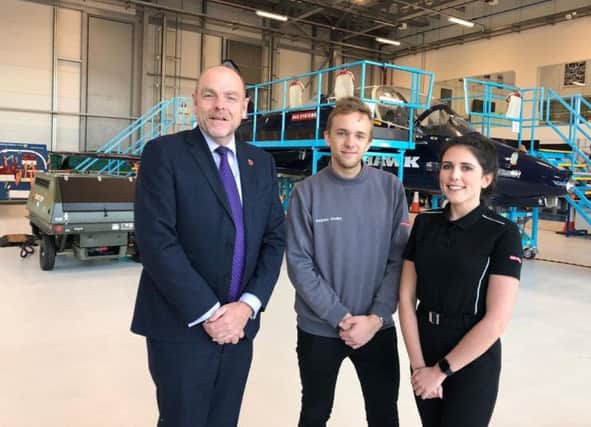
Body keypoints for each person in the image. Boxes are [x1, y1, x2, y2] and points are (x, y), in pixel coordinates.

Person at [131, 64, 286, 427]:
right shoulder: (163, 154)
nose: (220, 106)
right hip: (181, 327)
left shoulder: (260, 163)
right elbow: (156, 241)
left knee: (224, 420)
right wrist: (210, 313)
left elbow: (274, 237)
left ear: (245, 107)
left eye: (231, 97)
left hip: (240, 328)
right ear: (194, 104)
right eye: (210, 95)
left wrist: (246, 308)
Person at [286, 96, 411, 427]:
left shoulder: (391, 189)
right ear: (327, 137)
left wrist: (375, 317)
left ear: (369, 141)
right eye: (342, 133)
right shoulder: (305, 193)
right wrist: (340, 317)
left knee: (384, 413)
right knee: (314, 411)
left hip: (377, 327)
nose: (350, 142)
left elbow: (398, 259)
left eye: (359, 135)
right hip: (319, 329)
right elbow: (299, 264)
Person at [398, 133, 522, 427]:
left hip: (473, 358)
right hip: (424, 347)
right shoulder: (425, 223)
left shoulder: (502, 233)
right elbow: (405, 298)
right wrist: (419, 366)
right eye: (447, 166)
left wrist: (439, 372)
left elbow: (497, 321)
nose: (454, 176)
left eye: (467, 168)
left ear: (486, 179)